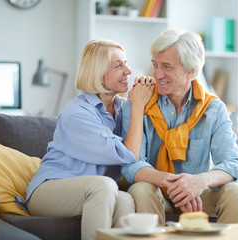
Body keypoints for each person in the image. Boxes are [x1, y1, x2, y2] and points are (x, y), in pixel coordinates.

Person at [15, 39, 155, 240]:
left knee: (125, 200)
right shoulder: (77, 113)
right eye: (118, 65)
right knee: (104, 186)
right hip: (49, 191)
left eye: (126, 62)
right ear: (98, 74)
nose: (128, 70)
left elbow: (145, 144)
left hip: (94, 190)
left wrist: (145, 97)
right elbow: (129, 154)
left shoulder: (123, 108)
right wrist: (139, 106)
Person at [121, 29, 238, 225]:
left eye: (166, 66)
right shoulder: (139, 101)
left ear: (191, 71)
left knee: (237, 192)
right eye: (154, 64)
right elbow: (132, 165)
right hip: (157, 193)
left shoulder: (213, 109)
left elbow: (234, 163)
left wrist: (199, 182)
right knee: (141, 189)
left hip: (197, 197)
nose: (157, 74)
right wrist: (176, 184)